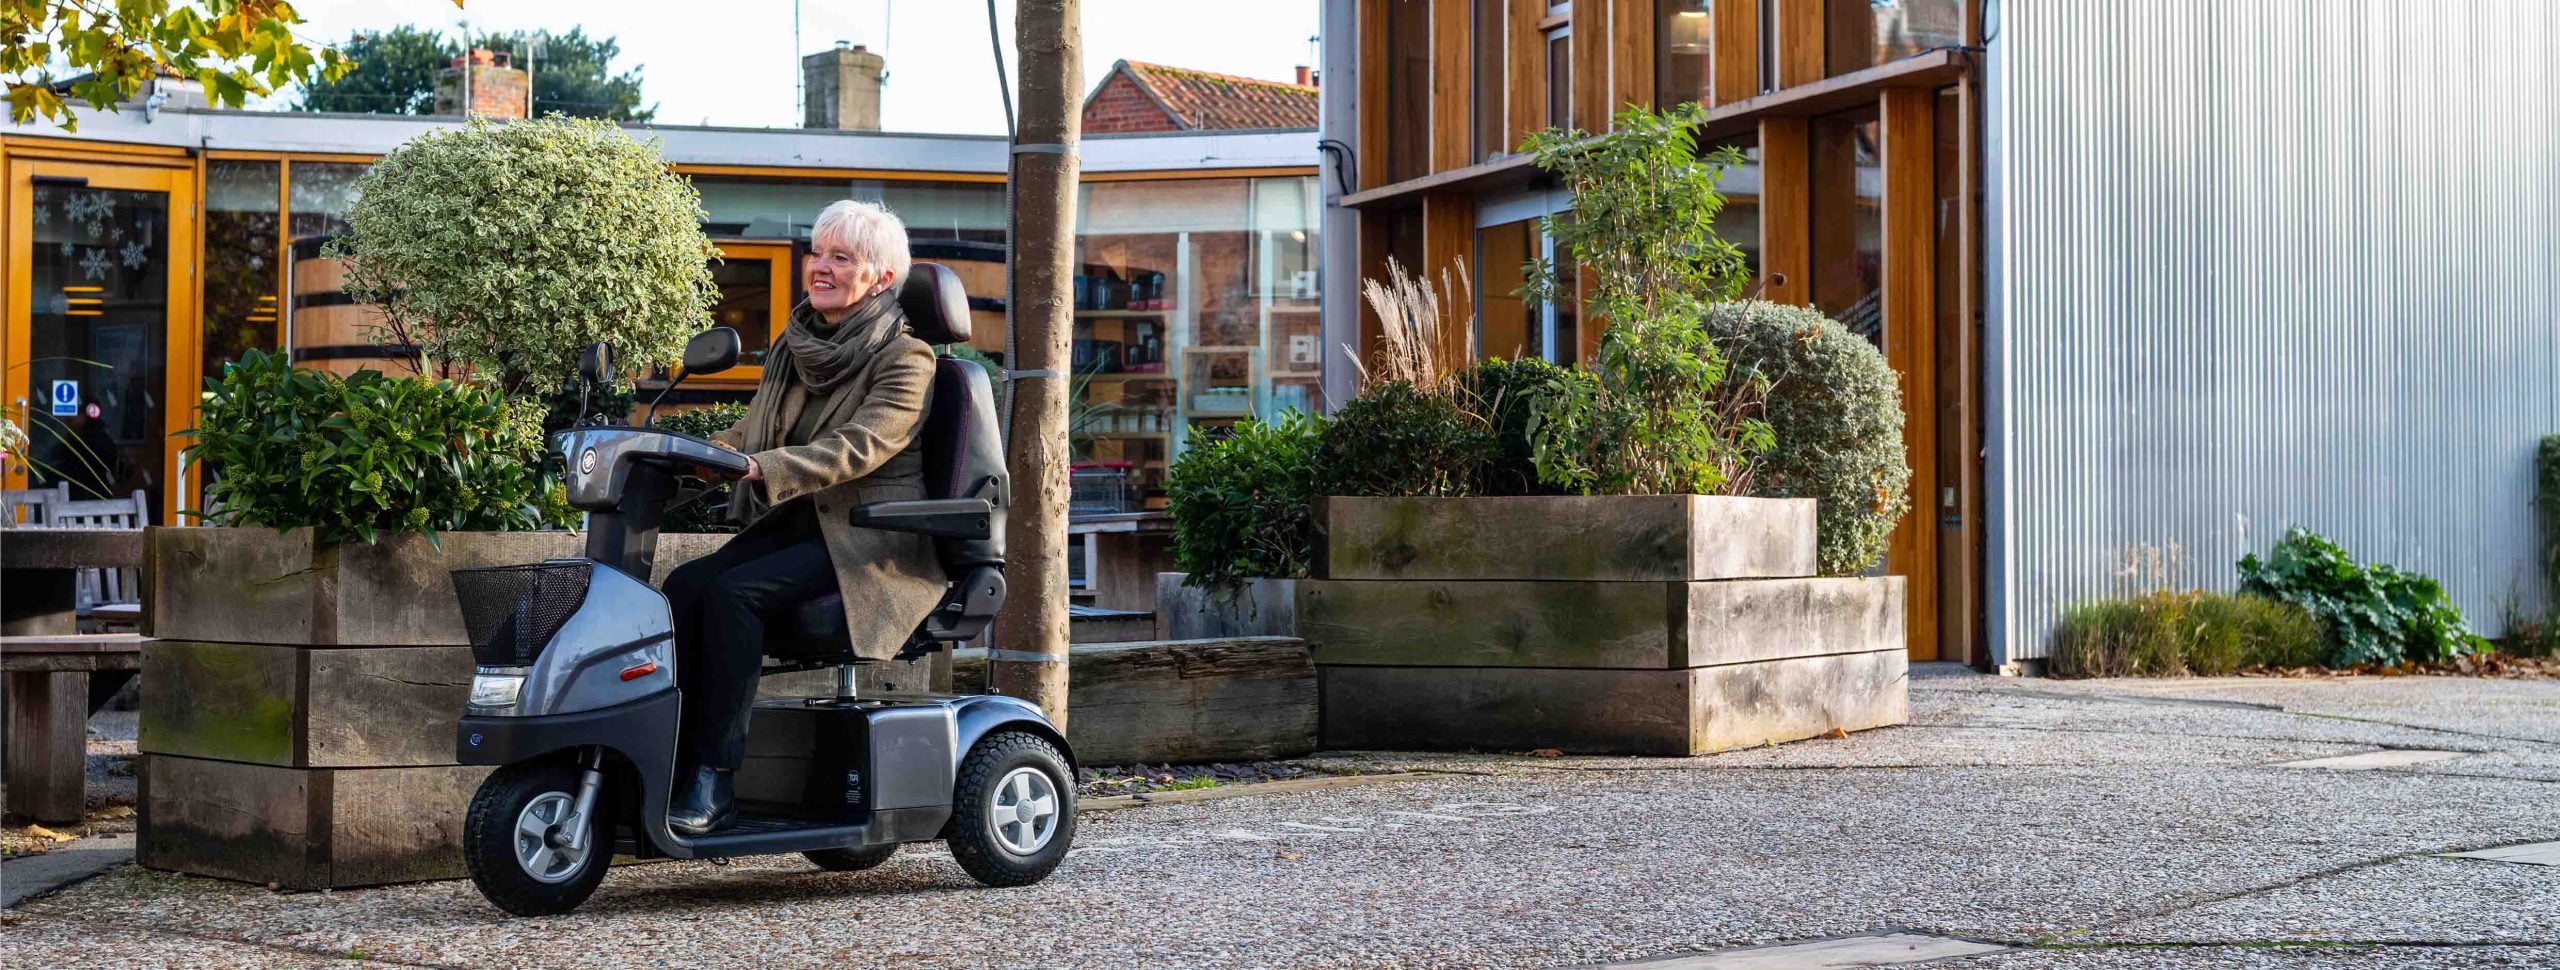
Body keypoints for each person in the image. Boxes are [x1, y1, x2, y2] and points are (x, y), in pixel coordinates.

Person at [660, 200, 947, 836]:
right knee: (682, 587)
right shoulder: (799, 345)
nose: (820, 267)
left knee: (734, 595)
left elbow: (860, 446)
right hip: (802, 522)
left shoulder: (908, 358)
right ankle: (671, 759)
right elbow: (754, 429)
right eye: (817, 253)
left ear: (880, 278)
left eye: (841, 257)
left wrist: (759, 468)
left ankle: (714, 777)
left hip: (873, 536)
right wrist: (694, 454)